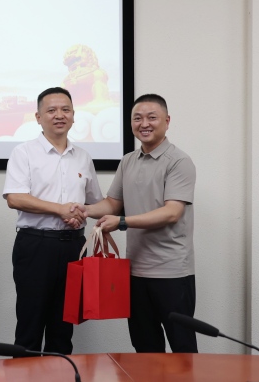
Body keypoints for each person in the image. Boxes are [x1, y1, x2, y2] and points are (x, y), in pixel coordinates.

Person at [77, 93, 197, 353]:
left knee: (183, 349)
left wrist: (122, 222)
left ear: (167, 121)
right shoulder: (128, 160)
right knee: (145, 348)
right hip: (134, 272)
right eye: (137, 118)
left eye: (152, 118)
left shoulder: (179, 161)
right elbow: (112, 203)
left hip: (172, 272)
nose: (144, 124)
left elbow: (172, 213)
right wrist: (85, 211)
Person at [3, 87, 103, 354]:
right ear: (38, 117)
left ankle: (61, 373)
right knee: (30, 327)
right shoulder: (24, 153)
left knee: (63, 330)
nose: (59, 115)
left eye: (65, 110)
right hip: (36, 246)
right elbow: (15, 198)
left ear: (73, 116)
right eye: (52, 110)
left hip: (74, 248)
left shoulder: (83, 157)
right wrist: (60, 210)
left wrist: (81, 213)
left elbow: (94, 203)